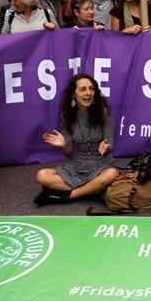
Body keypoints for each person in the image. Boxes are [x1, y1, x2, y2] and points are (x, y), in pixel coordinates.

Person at [33, 74, 119, 205]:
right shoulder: (67, 116)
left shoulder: (104, 112)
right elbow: (69, 153)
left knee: (112, 174)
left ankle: (68, 196)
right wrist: (64, 145)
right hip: (79, 165)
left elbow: (110, 142)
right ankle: (93, 189)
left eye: (91, 89)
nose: (88, 93)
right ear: (74, 94)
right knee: (41, 175)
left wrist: (106, 146)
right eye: (83, 89)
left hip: (102, 164)